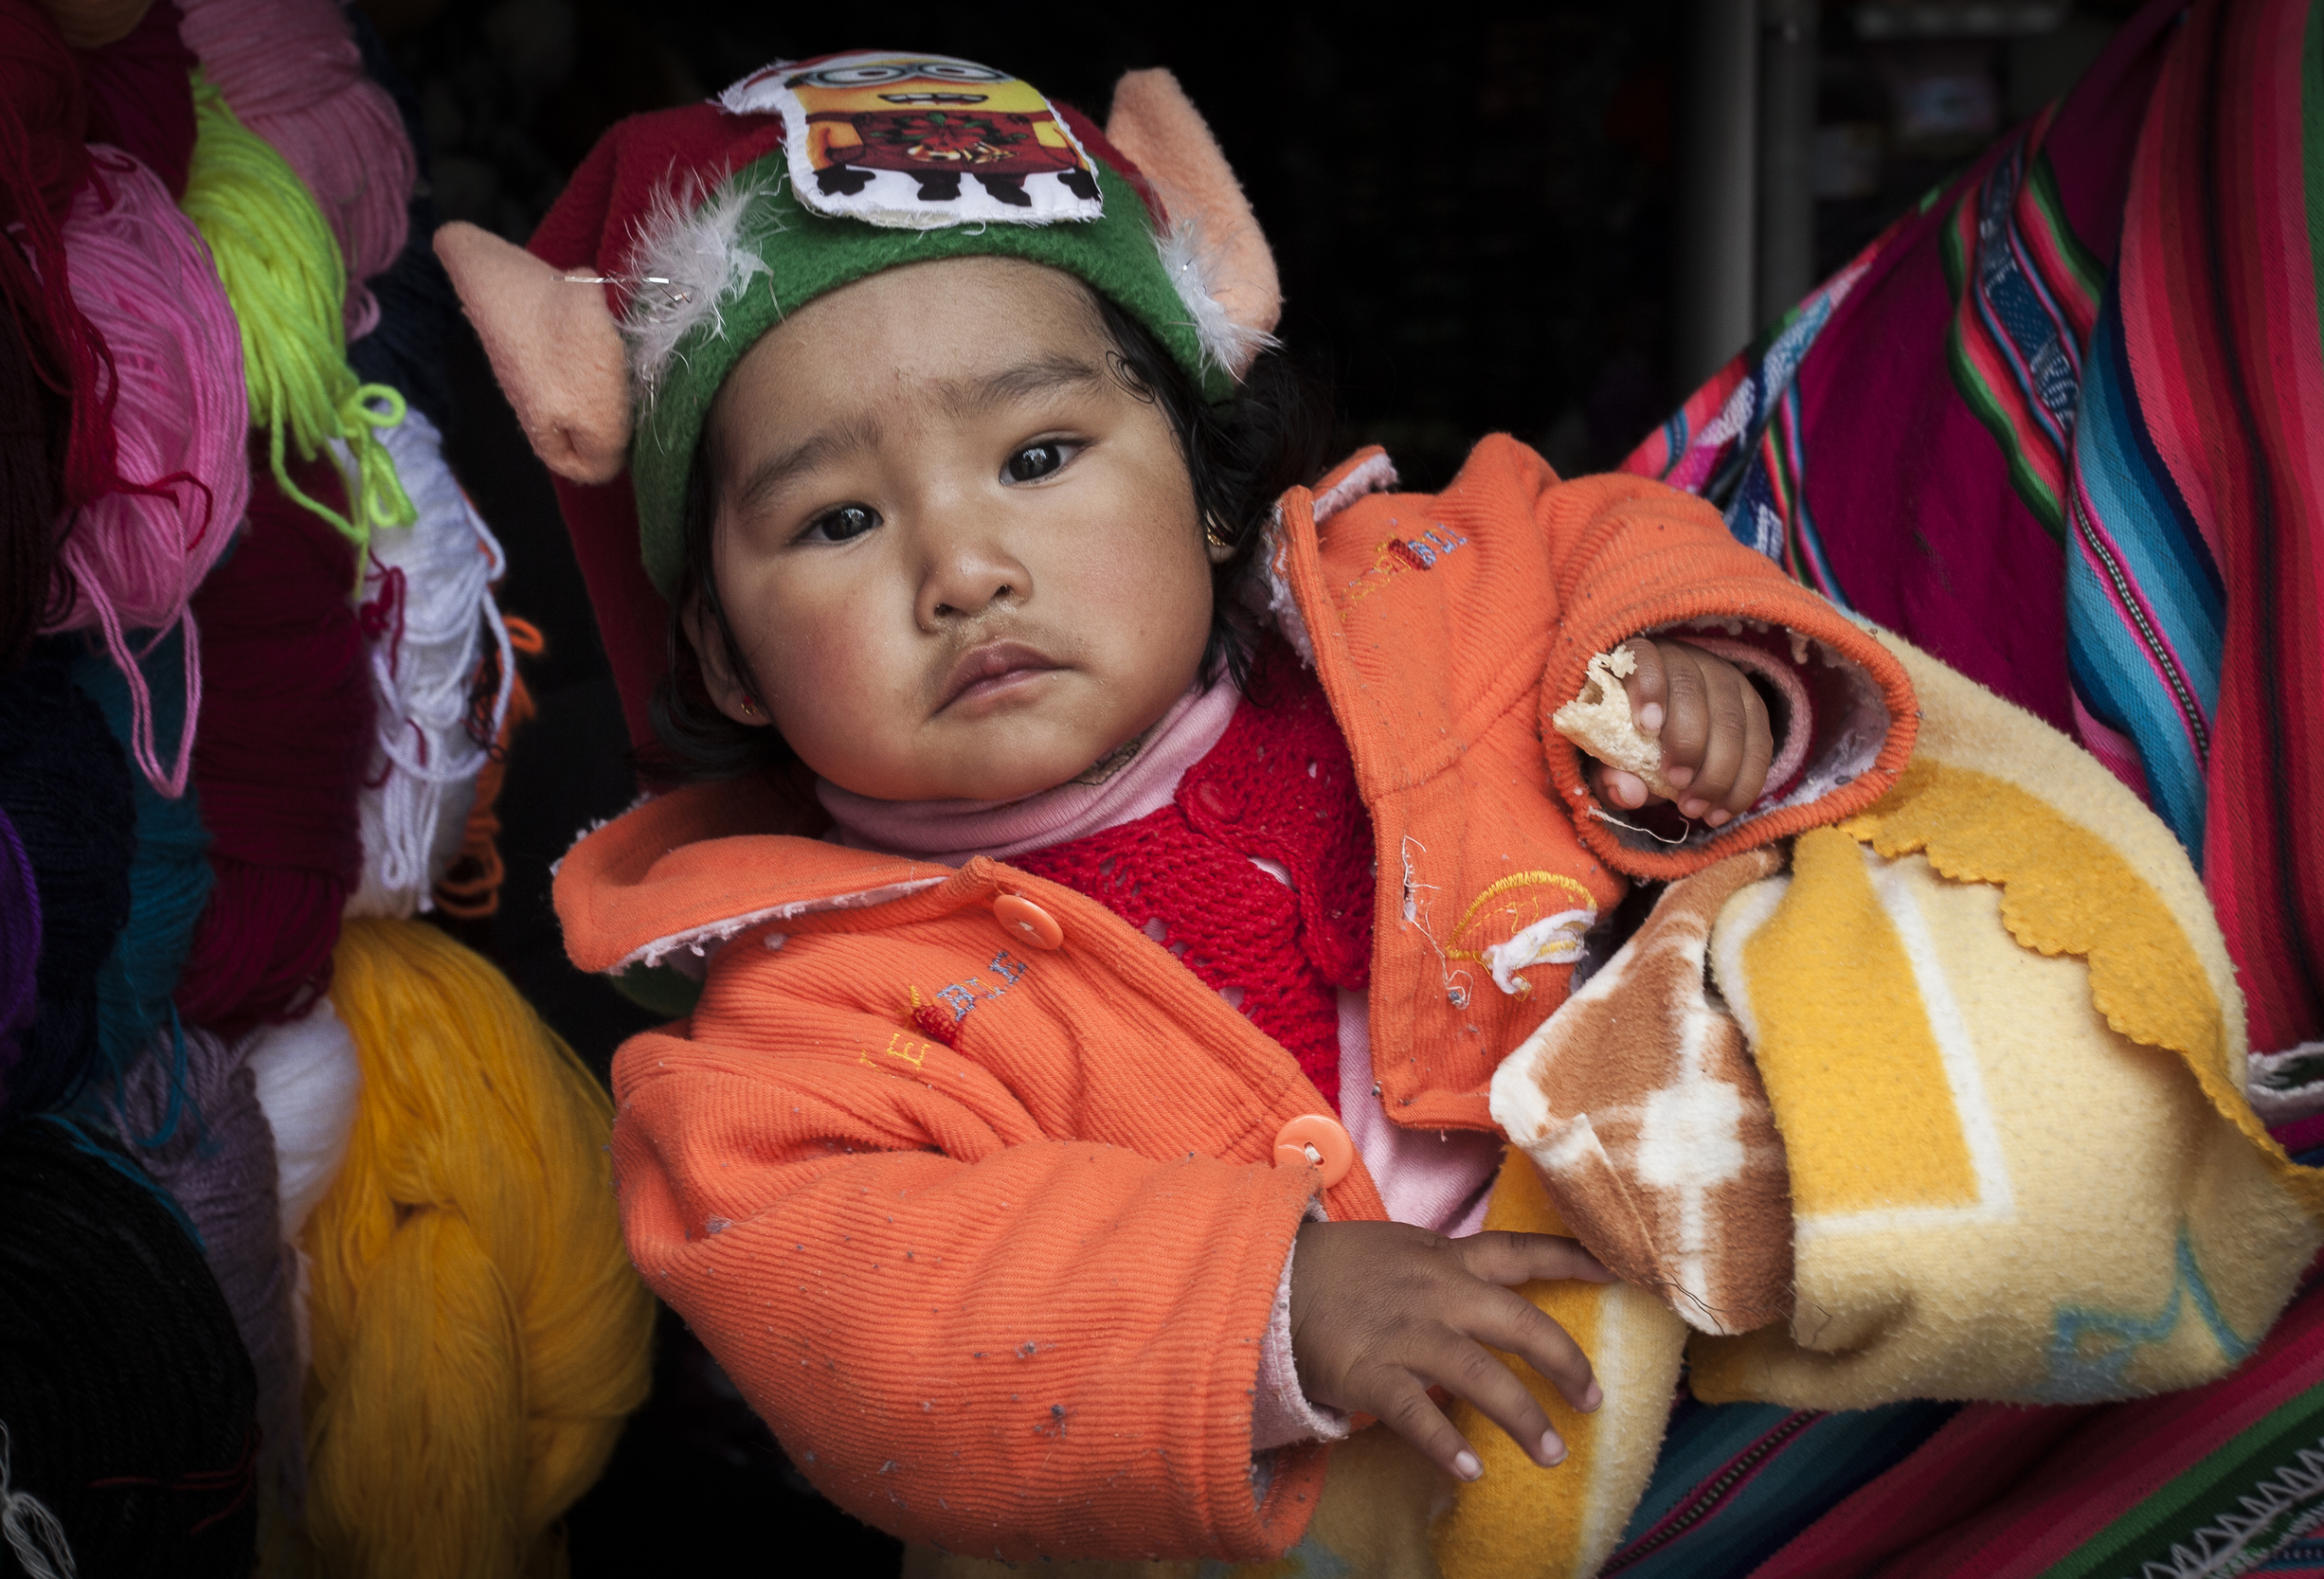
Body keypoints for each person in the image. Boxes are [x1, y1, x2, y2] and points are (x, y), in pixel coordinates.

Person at [436, 49, 1919, 1563]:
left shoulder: (1414, 617)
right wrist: (1266, 1306)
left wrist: (1700, 673)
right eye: (838, 521)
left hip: (1713, 1428)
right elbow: (855, 1306)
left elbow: (1587, 533)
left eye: (1036, 456)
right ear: (725, 658)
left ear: (1210, 491)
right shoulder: (803, 1018)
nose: (961, 569)